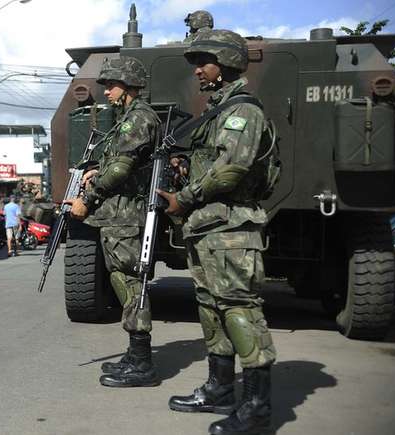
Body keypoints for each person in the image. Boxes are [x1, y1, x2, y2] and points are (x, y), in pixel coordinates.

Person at [157, 30, 277, 435]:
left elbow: (231, 170)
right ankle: (220, 389)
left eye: (203, 61)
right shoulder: (219, 109)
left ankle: (257, 407)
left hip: (231, 229)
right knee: (211, 308)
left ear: (224, 63)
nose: (197, 70)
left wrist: (184, 197)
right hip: (208, 227)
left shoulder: (243, 110)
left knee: (239, 309)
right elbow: (211, 163)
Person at [65, 56, 161, 388]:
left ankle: (142, 363)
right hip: (118, 213)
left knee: (132, 284)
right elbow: (118, 164)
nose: (106, 92)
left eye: (111, 85)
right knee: (123, 280)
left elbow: (122, 169)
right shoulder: (129, 118)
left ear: (129, 85)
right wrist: (97, 171)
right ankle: (136, 356)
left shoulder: (138, 118)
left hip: (125, 214)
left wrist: (87, 200)